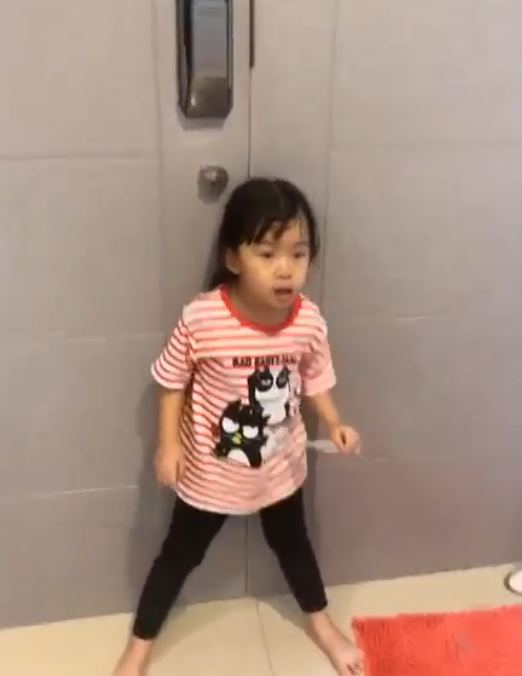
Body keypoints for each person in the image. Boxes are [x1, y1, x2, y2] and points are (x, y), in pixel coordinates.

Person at [114, 178, 365, 676]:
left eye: (298, 254)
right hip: (211, 474)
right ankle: (139, 645)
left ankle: (322, 624)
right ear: (233, 258)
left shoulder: (308, 321)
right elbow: (171, 383)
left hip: (280, 468)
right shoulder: (203, 318)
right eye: (267, 254)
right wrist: (168, 446)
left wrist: (336, 421)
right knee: (178, 557)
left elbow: (315, 376)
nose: (285, 269)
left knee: (295, 547)